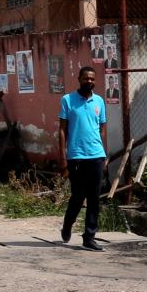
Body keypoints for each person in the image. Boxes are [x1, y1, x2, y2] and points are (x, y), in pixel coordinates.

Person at [59, 66, 108, 251]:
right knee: (78, 196)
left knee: (94, 198)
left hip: (96, 155)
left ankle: (89, 237)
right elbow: (62, 131)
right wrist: (63, 158)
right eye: (86, 78)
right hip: (76, 156)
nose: (90, 81)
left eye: (92, 79)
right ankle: (67, 224)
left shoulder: (99, 101)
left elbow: (102, 128)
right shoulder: (67, 100)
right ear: (79, 79)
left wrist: (105, 154)